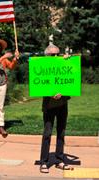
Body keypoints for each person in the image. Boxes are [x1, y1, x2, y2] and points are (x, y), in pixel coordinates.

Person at [39, 42, 72, 173]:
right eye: (53, 54)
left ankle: (59, 159)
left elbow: (71, 82)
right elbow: (39, 86)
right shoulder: (42, 67)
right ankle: (44, 161)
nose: (56, 56)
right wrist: (51, 93)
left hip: (63, 105)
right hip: (49, 106)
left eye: (58, 54)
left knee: (61, 132)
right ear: (47, 56)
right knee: (47, 133)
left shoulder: (65, 63)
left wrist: (68, 60)